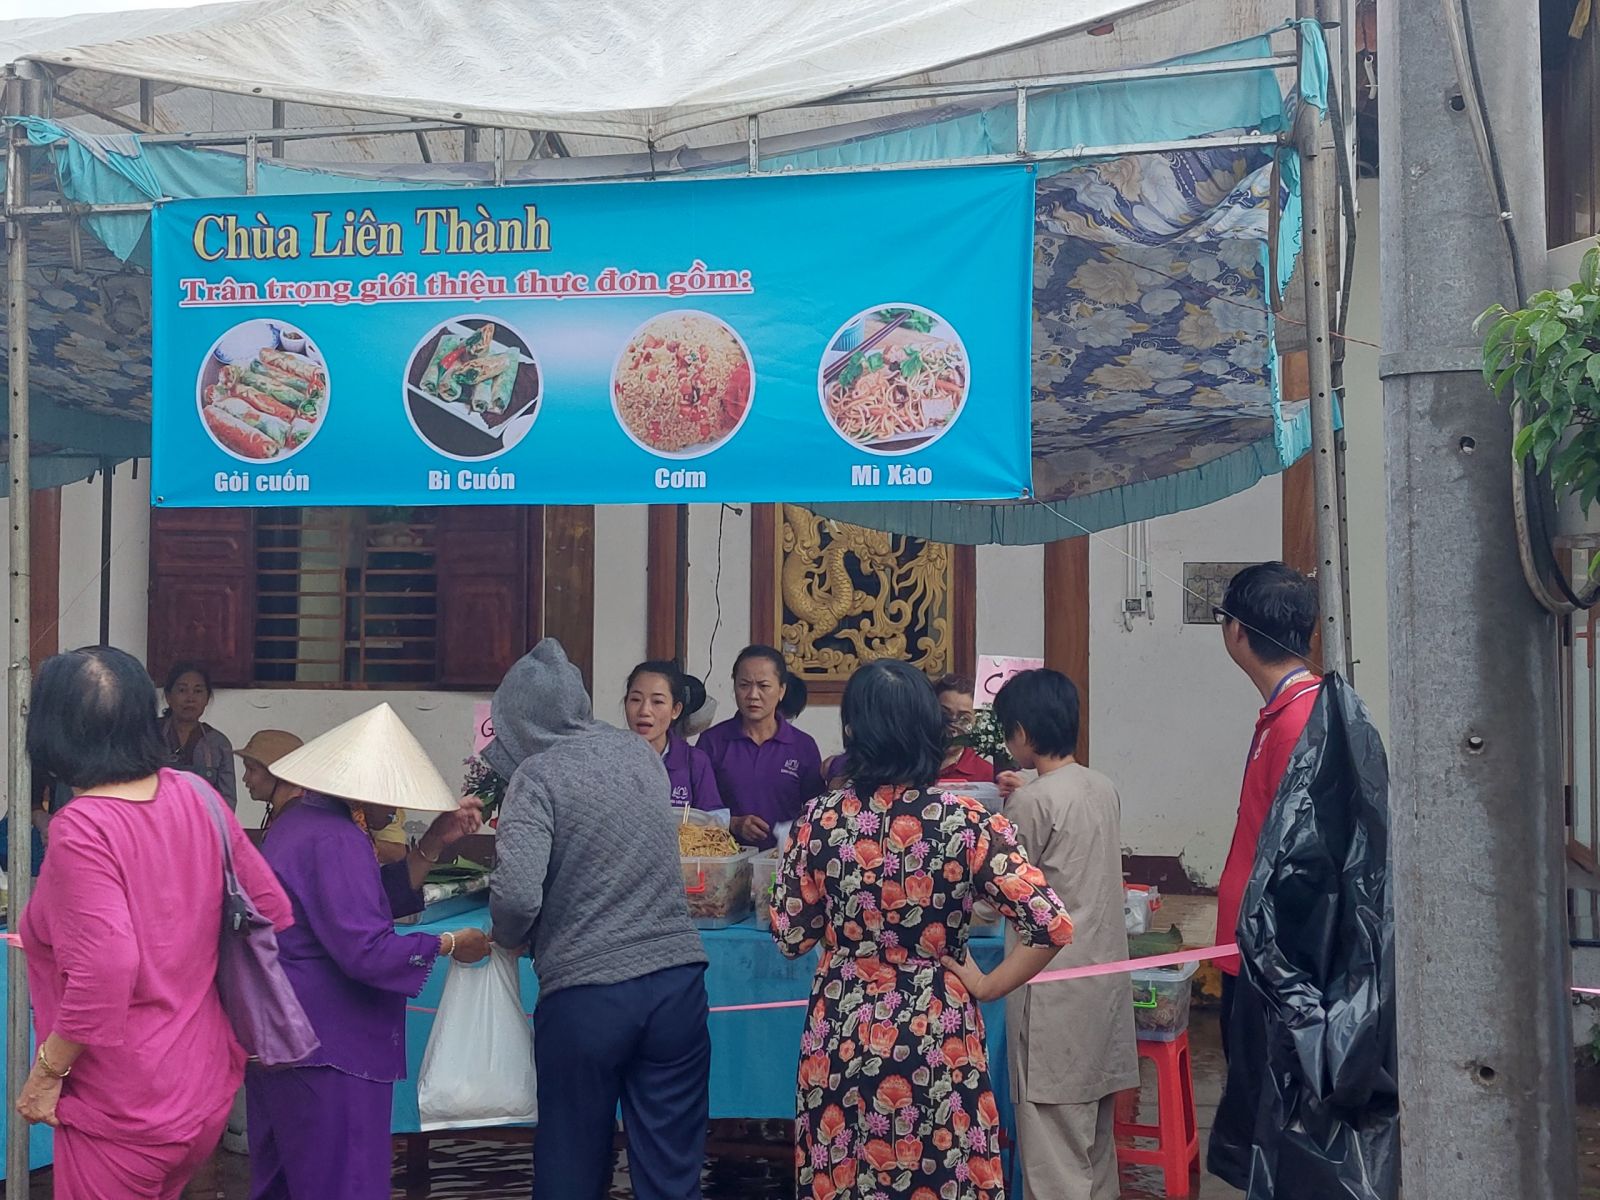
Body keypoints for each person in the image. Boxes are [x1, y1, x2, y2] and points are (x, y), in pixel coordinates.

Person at [772, 659, 1074, 1200]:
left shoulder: (817, 821)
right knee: (941, 1172)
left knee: (845, 1175)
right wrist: (988, 985)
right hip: (938, 1032)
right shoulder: (968, 821)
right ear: (930, 730)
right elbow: (1050, 924)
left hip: (842, 1032)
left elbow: (791, 936)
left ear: (852, 731)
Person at [14, 646, 292, 1199]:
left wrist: (45, 1075)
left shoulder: (81, 827)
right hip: (201, 1084)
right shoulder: (195, 794)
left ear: (53, 730)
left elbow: (106, 969)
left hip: (124, 1102)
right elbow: (270, 907)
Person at [487, 639, 712, 1200]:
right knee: (671, 1167)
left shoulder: (536, 777)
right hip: (677, 982)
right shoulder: (638, 754)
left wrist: (508, 939)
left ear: (520, 722)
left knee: (571, 1156)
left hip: (587, 994)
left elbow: (516, 897)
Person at [248, 703, 491, 1200]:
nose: (395, 813)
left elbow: (367, 900)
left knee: (285, 1184)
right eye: (393, 800)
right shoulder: (335, 838)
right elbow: (365, 948)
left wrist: (436, 840)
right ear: (365, 791)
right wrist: (449, 943)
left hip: (286, 1036)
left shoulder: (302, 823)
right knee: (344, 1185)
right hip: (330, 1046)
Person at [992, 669, 1136, 1200]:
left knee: (1053, 1155)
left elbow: (999, 889)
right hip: (1102, 984)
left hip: (1052, 992)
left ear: (1022, 733)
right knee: (1094, 1147)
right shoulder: (1101, 786)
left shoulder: (1031, 803)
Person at [1213, 561, 1322, 1056]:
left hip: (1270, 954)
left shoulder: (1299, 719)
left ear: (1237, 631)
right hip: (1254, 943)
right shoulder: (1289, 711)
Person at [697, 645, 823, 849]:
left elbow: (816, 812)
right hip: (725, 857)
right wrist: (734, 823)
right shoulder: (712, 742)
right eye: (744, 685)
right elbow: (698, 811)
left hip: (783, 859)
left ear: (781, 690)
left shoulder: (802, 746)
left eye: (763, 686)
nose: (753, 695)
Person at [625, 660, 726, 815]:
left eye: (657, 701)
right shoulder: (609, 759)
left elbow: (713, 820)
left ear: (675, 710)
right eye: (635, 700)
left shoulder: (695, 762)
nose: (644, 711)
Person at [159, 661, 237, 809]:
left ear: (207, 699)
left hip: (204, 822)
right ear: (168, 697)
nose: (190, 698)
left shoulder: (218, 744)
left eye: (198, 691)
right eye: (182, 690)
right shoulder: (149, 736)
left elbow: (227, 802)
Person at [934, 673, 997, 784]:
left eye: (964, 719)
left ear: (976, 722)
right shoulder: (910, 765)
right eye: (944, 714)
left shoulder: (987, 774)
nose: (953, 726)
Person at [237, 730, 304, 830]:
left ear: (277, 773)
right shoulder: (283, 812)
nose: (245, 778)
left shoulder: (301, 818)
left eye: (252, 769)